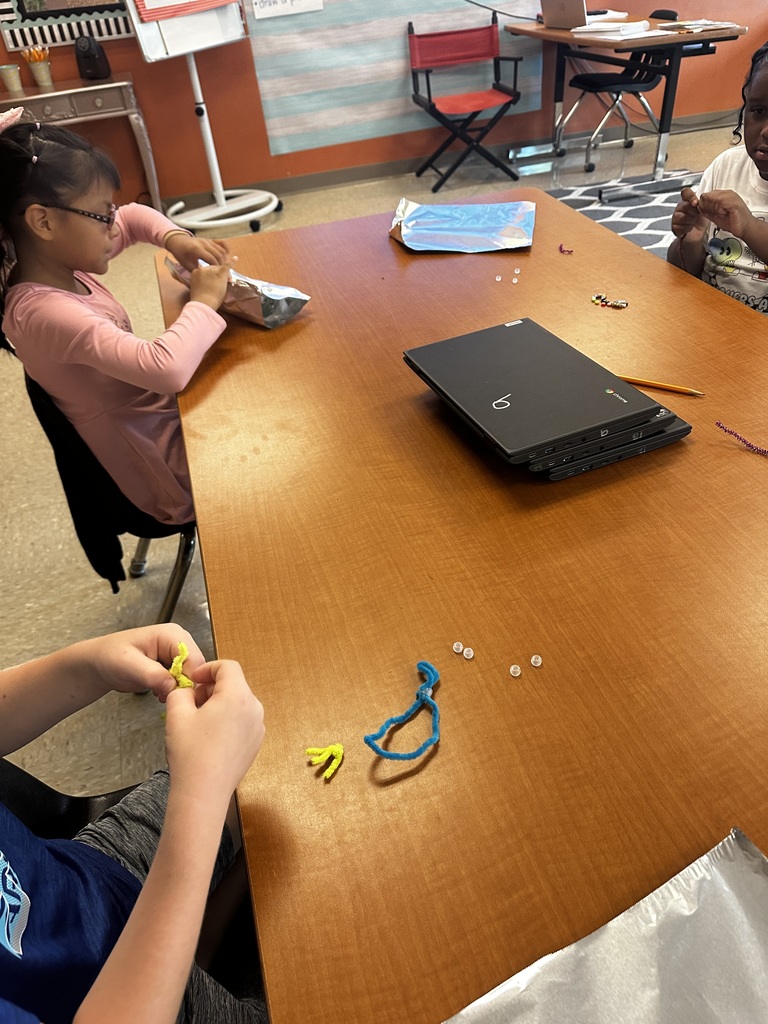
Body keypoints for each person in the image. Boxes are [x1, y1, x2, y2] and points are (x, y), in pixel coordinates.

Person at [0, 623, 267, 1024]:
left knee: (263, 761)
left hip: (89, 883)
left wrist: (86, 668)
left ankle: (201, 942)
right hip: (122, 999)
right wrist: (200, 795)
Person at [0, 107, 233, 526]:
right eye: (101, 214)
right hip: (167, 475)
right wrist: (204, 300)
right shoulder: (43, 313)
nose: (114, 224)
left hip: (162, 424)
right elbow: (167, 368)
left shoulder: (57, 261)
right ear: (44, 221)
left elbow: (134, 217)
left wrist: (175, 238)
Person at [667, 40, 768, 314]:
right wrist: (693, 236)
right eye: (758, 111)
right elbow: (680, 270)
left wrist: (748, 226)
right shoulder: (727, 166)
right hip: (713, 320)